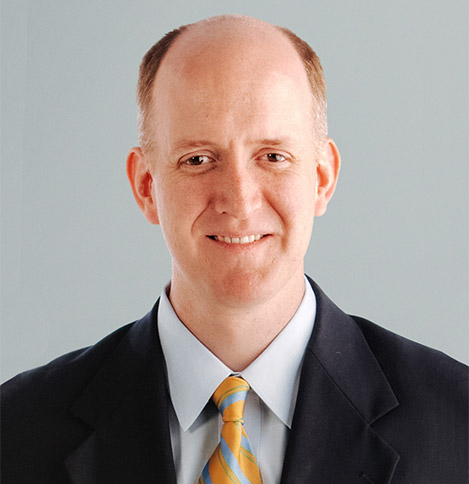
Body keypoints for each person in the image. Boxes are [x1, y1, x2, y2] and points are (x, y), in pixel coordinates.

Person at [1, 14, 467, 484]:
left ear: (322, 178)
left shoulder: (458, 422)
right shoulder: (15, 430)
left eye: (273, 156)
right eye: (198, 159)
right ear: (145, 186)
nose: (240, 202)